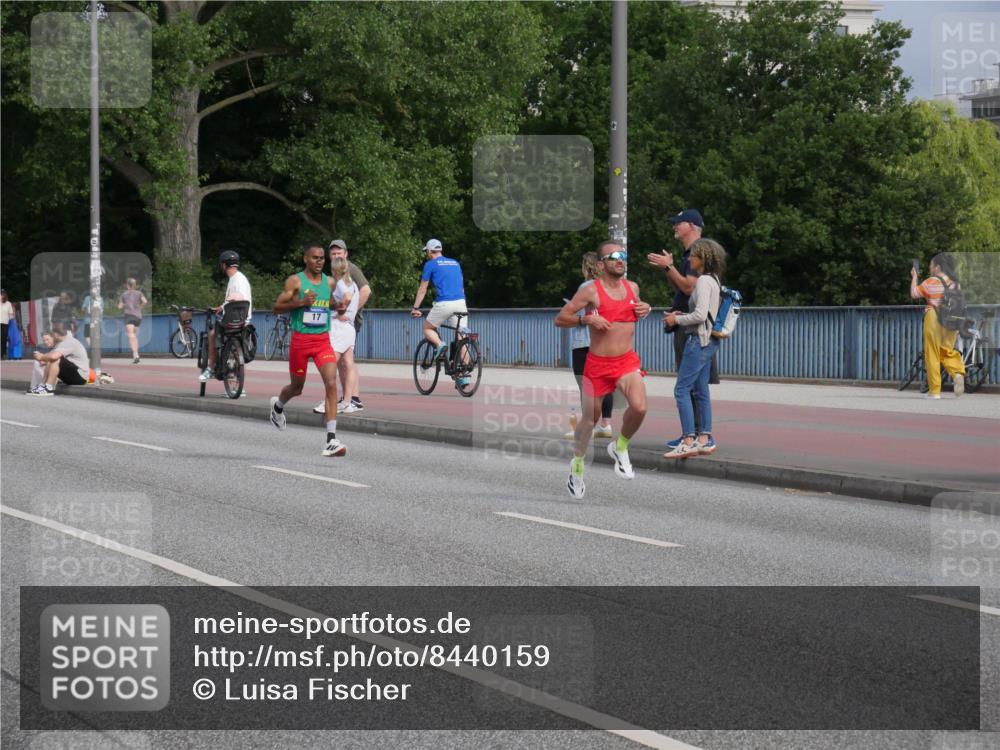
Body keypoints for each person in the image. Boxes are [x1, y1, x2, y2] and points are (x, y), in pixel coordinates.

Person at [555, 240, 652, 499]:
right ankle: (577, 465)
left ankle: (620, 447)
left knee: (640, 407)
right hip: (597, 365)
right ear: (601, 264)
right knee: (590, 420)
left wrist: (646, 308)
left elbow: (637, 309)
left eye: (624, 255)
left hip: (626, 362)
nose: (621, 260)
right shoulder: (589, 291)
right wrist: (586, 318)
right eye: (614, 256)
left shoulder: (633, 287)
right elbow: (560, 318)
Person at [647, 208, 719, 447]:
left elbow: (689, 288)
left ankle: (695, 436)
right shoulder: (693, 253)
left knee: (688, 387)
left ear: (691, 225)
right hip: (692, 328)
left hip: (694, 330)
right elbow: (685, 290)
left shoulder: (698, 253)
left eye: (678, 223)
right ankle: (699, 435)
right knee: (695, 386)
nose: (674, 227)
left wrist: (668, 267)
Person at [268, 243, 347, 457]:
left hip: (322, 340)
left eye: (322, 258)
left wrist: (337, 307)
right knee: (297, 387)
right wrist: (301, 302)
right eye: (315, 258)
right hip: (301, 341)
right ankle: (278, 406)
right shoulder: (296, 281)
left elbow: (328, 303)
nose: (319, 261)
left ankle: (331, 439)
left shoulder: (329, 282)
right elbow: (276, 307)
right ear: (305, 259)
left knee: (331, 383)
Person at [662, 239, 727, 458]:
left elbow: (700, 315)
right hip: (709, 340)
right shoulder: (714, 280)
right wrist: (682, 316)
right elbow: (706, 313)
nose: (689, 259)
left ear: (703, 258)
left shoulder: (702, 281)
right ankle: (704, 439)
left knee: (682, 390)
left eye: (694, 256)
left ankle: (688, 440)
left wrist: (676, 320)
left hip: (697, 341)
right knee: (701, 391)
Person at [564, 252, 614, 439]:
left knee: (585, 386)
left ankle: (588, 426)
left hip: (584, 342)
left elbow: (572, 312)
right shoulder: (609, 287)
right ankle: (606, 425)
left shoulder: (586, 287)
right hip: (605, 342)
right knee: (605, 385)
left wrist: (572, 308)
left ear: (586, 267)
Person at [411, 239, 471, 388]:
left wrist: (415, 307)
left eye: (427, 251)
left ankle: (440, 345)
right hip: (461, 303)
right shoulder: (455, 263)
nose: (427, 254)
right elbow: (461, 287)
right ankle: (464, 376)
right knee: (461, 337)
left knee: (427, 328)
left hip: (444, 303)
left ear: (430, 251)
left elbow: (423, 289)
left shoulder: (430, 264)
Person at [910, 252, 966, 399]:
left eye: (931, 265)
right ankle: (957, 373)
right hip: (952, 318)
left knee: (932, 353)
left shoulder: (931, 281)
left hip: (934, 316)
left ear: (937, 267)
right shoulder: (955, 283)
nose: (930, 268)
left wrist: (914, 277)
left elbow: (914, 294)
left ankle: (934, 391)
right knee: (946, 350)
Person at [325, 239, 371, 412]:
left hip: (347, 323)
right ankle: (349, 399)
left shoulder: (349, 269)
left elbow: (366, 290)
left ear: (346, 254)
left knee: (341, 362)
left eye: (339, 253)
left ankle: (352, 398)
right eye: (333, 253)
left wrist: (348, 313)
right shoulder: (337, 271)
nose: (336, 256)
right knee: (345, 362)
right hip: (344, 323)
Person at [312, 257, 361, 415]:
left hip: (339, 328)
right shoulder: (353, 284)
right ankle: (347, 402)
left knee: (329, 365)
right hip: (350, 329)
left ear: (334, 270)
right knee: (349, 364)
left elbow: (346, 297)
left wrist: (340, 312)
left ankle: (328, 401)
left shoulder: (340, 283)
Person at [199, 251, 252, 382]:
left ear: (223, 265)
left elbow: (237, 298)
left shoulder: (235, 280)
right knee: (235, 346)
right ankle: (239, 383)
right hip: (243, 321)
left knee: (212, 334)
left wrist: (223, 309)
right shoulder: (240, 278)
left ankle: (210, 368)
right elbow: (237, 300)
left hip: (232, 321)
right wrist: (221, 307)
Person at [27, 323, 90, 396]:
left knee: (55, 359)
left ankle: (48, 388)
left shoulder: (69, 342)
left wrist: (41, 357)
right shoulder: (62, 343)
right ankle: (42, 386)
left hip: (81, 377)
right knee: (50, 359)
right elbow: (49, 357)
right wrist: (42, 359)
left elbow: (54, 356)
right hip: (73, 375)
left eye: (52, 334)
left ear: (56, 334)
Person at [118, 279, 147, 364]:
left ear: (127, 285)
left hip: (129, 316)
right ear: (135, 285)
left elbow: (119, 307)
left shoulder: (124, 294)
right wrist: (140, 307)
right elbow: (145, 301)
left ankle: (135, 355)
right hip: (138, 317)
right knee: (134, 336)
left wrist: (123, 304)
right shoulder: (139, 293)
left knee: (131, 336)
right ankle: (136, 354)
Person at [0, 289, 14, 360]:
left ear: (3, 295)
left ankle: (2, 354)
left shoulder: (8, 303)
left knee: (3, 339)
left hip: (5, 323)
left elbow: (11, 314)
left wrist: (11, 318)